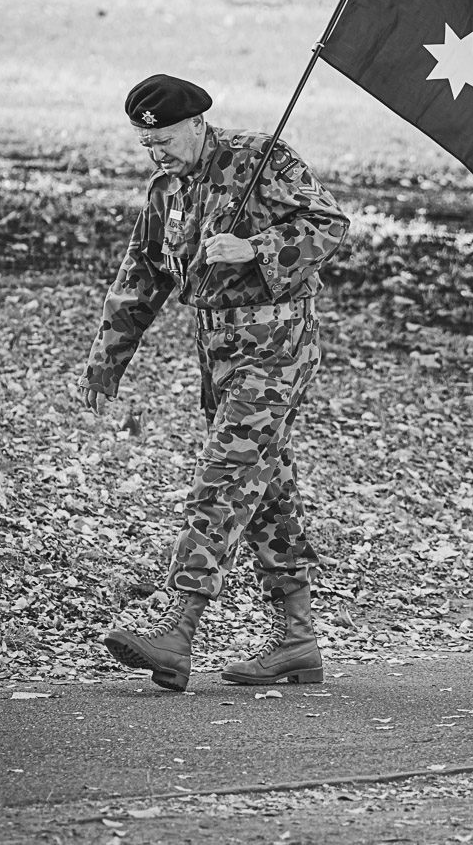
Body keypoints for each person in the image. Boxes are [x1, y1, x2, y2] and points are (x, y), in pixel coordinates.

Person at [71, 73, 351, 692]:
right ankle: (297, 640)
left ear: (196, 124)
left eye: (165, 139)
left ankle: (178, 630)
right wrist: (106, 363)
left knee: (223, 479)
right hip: (218, 354)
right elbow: (141, 276)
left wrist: (254, 249)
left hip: (277, 347)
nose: (157, 153)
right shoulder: (166, 191)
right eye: (147, 145)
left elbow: (330, 225)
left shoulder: (262, 158)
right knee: (267, 487)